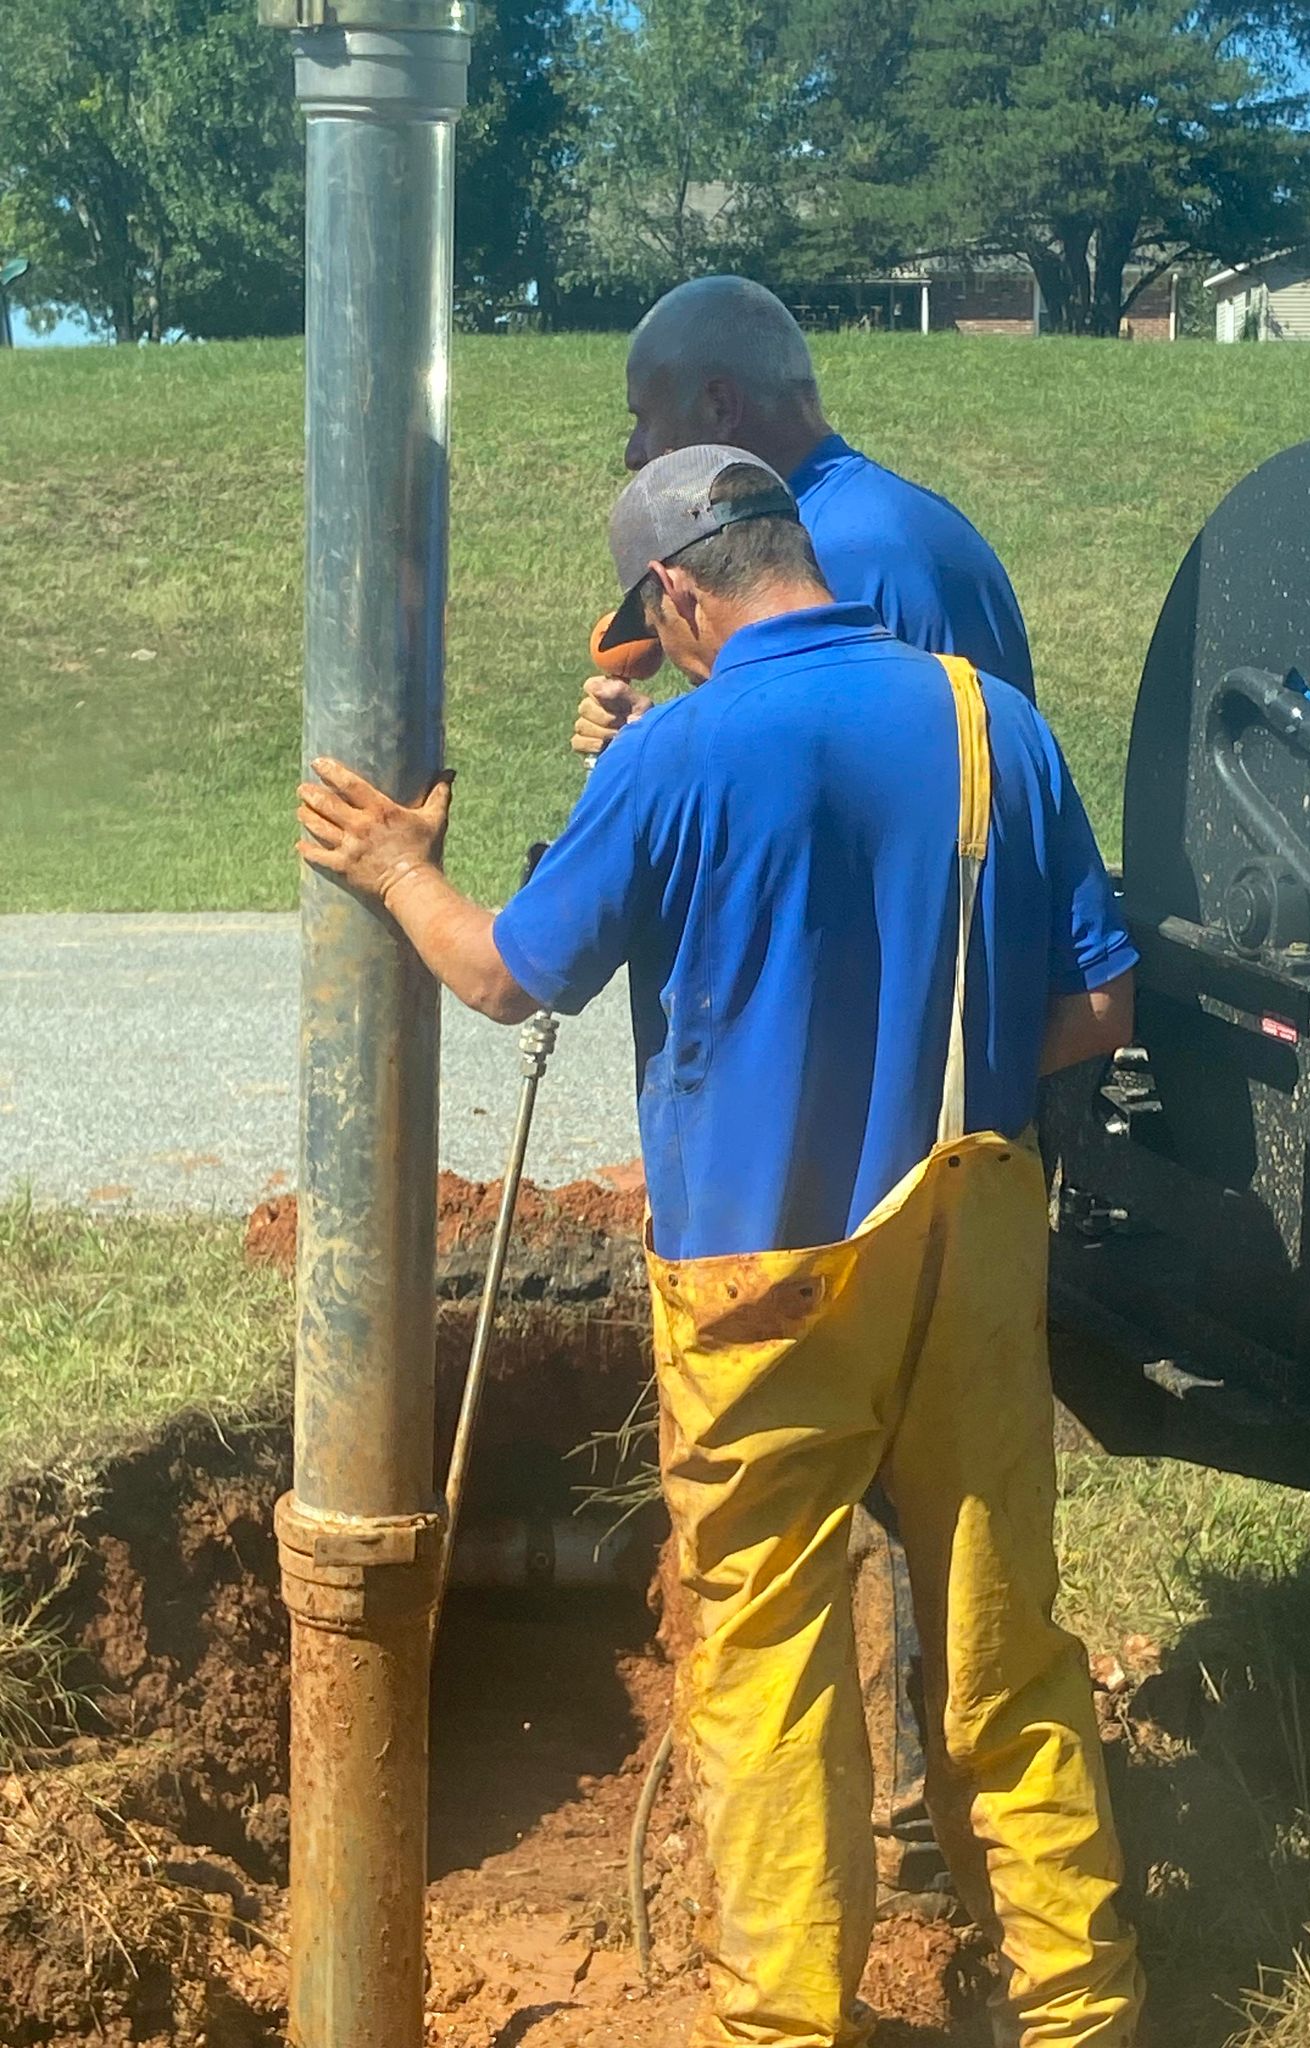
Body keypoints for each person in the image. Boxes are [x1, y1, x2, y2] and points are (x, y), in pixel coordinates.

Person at [296, 445, 1143, 2048]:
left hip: (762, 1287)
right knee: (1007, 1653)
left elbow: (503, 977)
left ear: (678, 595)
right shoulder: (989, 724)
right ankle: (1088, 2015)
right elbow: (1099, 1003)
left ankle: (783, 2030)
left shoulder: (676, 760)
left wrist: (400, 865)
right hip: (969, 1254)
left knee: (766, 1667)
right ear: (793, 549)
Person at [575, 275, 1036, 1908]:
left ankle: (909, 1838)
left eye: (643, 414)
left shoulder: (878, 554)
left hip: (876, 1148)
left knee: (904, 1512)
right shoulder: (834, 534)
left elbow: (888, 837)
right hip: (904, 1140)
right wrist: (639, 747)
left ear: (716, 409)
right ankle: (931, 1837)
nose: (631, 440)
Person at [573, 274, 1033, 765]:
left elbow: (825, 799)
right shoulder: (903, 518)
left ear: (720, 407)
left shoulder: (821, 557)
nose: (633, 453)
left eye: (645, 419)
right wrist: (658, 742)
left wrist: (655, 762)